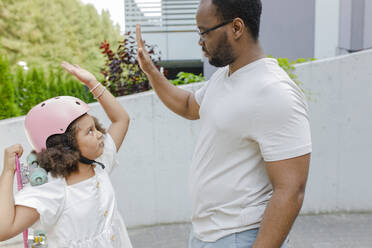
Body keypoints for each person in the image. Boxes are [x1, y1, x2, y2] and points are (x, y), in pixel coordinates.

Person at [135, 0, 312, 247]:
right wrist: (151, 71)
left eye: (204, 32)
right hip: (204, 234)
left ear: (237, 28)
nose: (200, 41)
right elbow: (188, 106)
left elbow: (291, 190)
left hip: (239, 237)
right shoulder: (225, 77)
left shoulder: (274, 92)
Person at [0, 62, 132, 248]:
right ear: (65, 146)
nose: (100, 134)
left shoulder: (99, 164)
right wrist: (7, 172)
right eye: (90, 132)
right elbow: (4, 230)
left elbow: (121, 120)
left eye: (95, 128)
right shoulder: (52, 190)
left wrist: (92, 82)